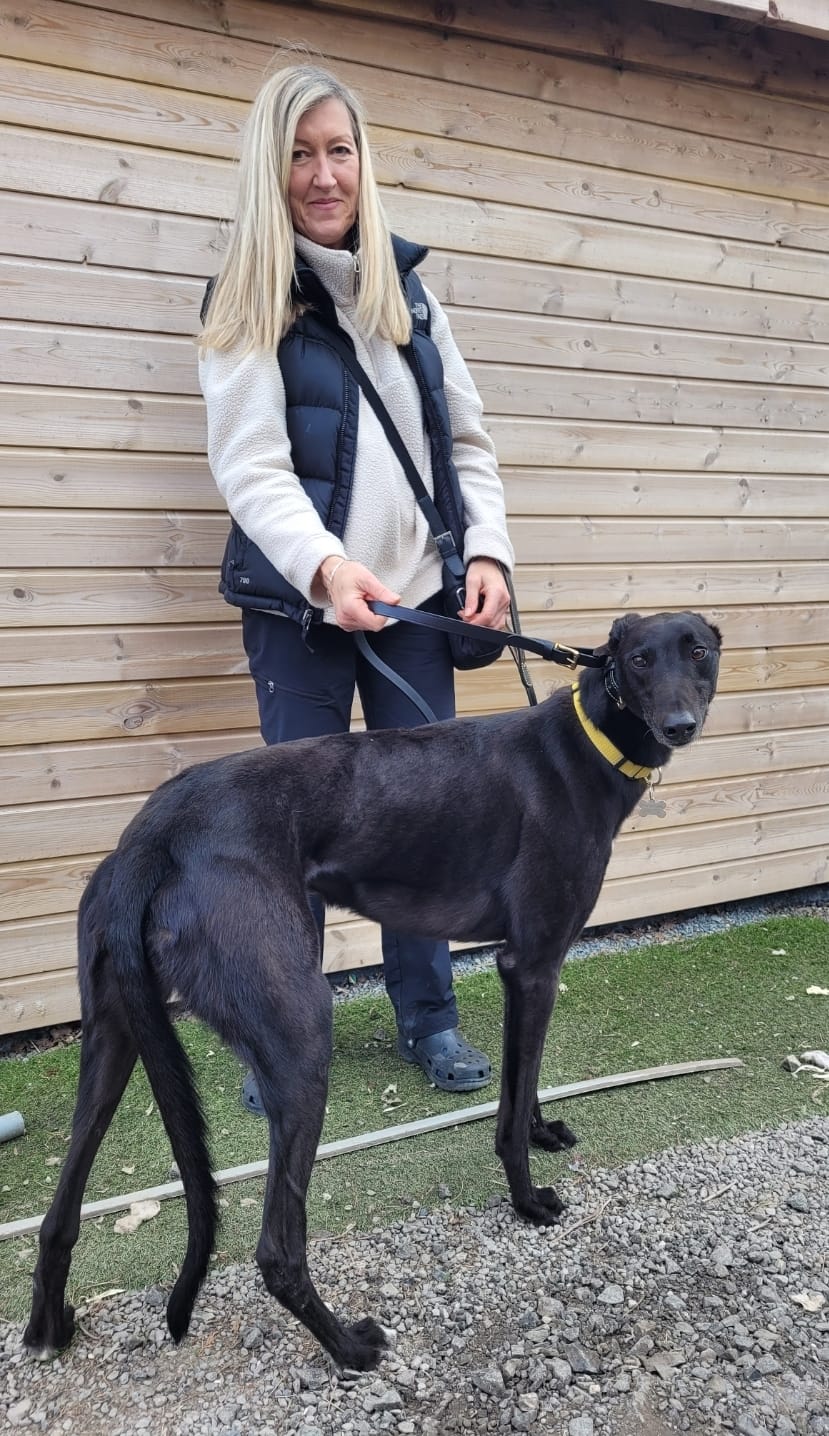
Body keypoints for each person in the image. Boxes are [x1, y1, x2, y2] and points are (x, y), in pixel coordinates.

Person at [198, 62, 515, 1111]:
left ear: (362, 161)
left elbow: (465, 443)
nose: (323, 174)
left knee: (426, 820)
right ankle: (281, 1035)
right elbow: (251, 466)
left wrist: (487, 555)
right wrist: (327, 565)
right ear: (271, 167)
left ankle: (429, 1016)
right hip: (302, 611)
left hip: (414, 604)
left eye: (339, 150)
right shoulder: (247, 295)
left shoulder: (406, 292)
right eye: (300, 153)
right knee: (288, 834)